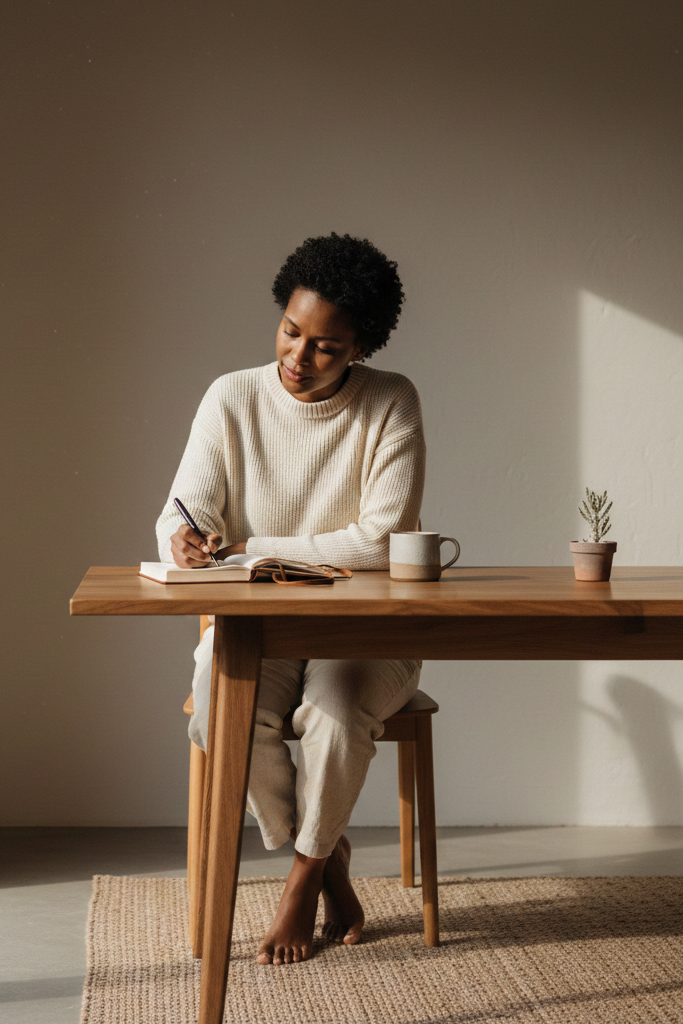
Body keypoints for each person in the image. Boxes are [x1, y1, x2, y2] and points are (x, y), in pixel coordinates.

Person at [155, 233, 426, 966]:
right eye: (290, 331)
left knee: (335, 713)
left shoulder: (390, 402)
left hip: (367, 632)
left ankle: (303, 878)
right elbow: (181, 511)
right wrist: (183, 539)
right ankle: (330, 857)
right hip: (259, 625)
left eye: (326, 348)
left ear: (361, 349)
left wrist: (252, 549)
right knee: (223, 707)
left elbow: (379, 542)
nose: (297, 359)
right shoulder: (230, 397)